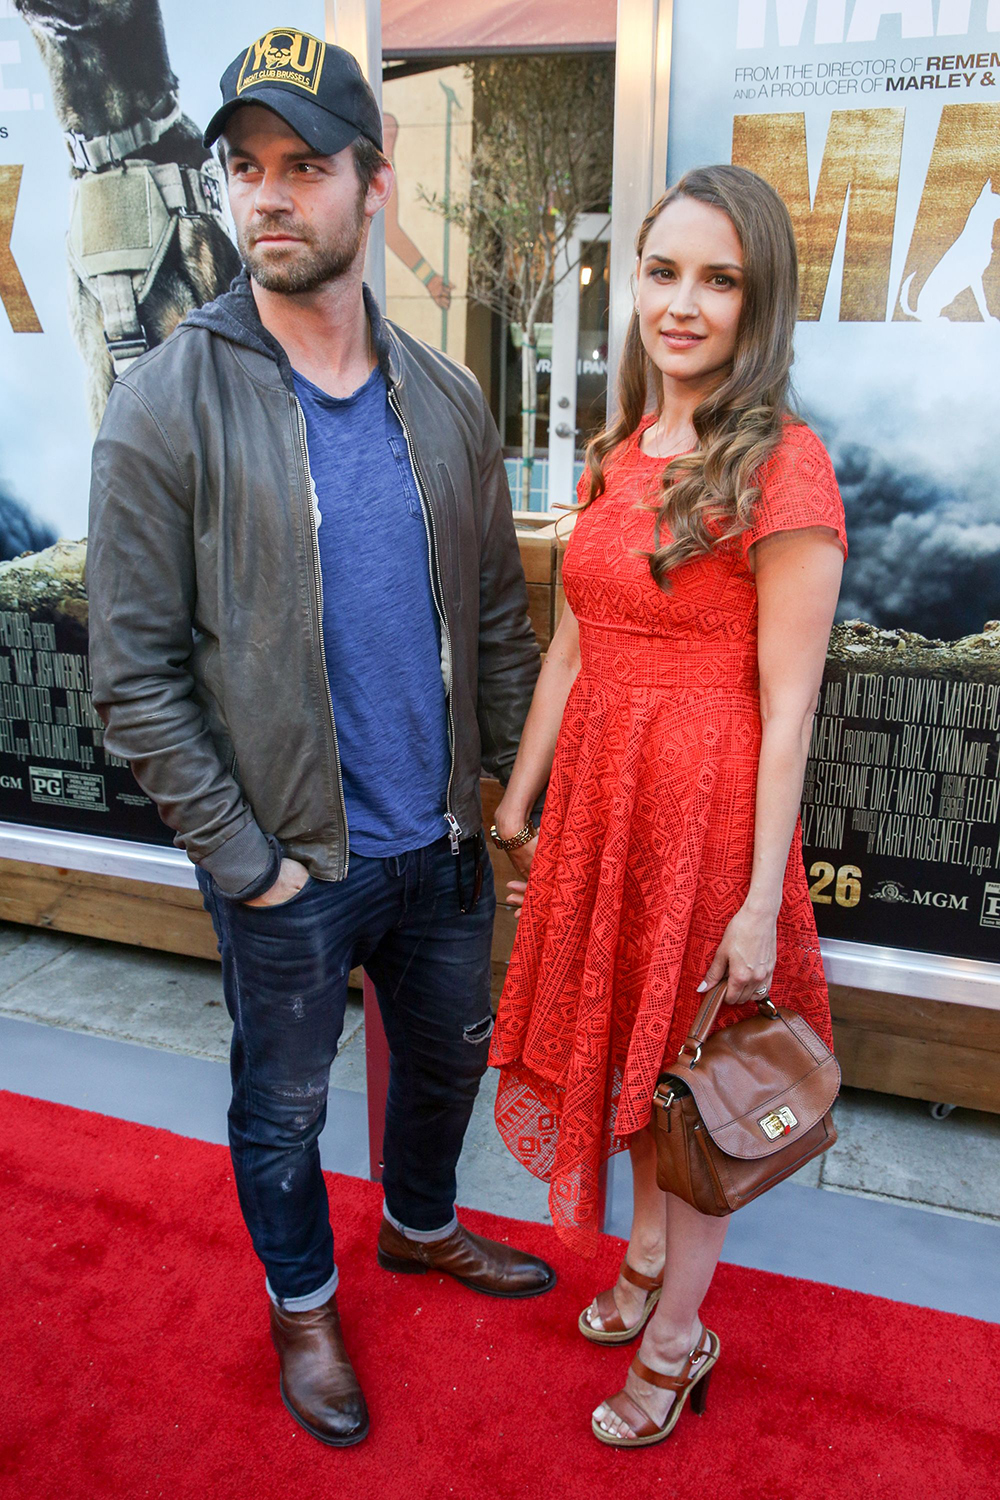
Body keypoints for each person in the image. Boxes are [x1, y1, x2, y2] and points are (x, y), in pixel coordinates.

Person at [87, 29, 555, 1451]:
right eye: (246, 170)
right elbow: (131, 680)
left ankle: (418, 1228)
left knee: (447, 1065)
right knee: (280, 1109)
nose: (269, 196)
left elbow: (493, 623)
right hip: (293, 865)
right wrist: (252, 867)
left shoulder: (448, 400)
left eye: (305, 165)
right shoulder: (167, 405)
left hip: (440, 852)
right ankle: (302, 1304)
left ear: (375, 179)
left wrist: (509, 796)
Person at [488, 164, 846, 1447]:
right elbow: (574, 646)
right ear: (631, 282)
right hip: (602, 810)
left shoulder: (786, 470)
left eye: (717, 279)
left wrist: (758, 902)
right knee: (634, 1063)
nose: (681, 304)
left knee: (687, 1082)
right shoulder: (618, 452)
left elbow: (789, 705)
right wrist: (520, 800)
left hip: (703, 830)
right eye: (661, 272)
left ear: (759, 305)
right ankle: (642, 1257)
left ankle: (683, 1335)